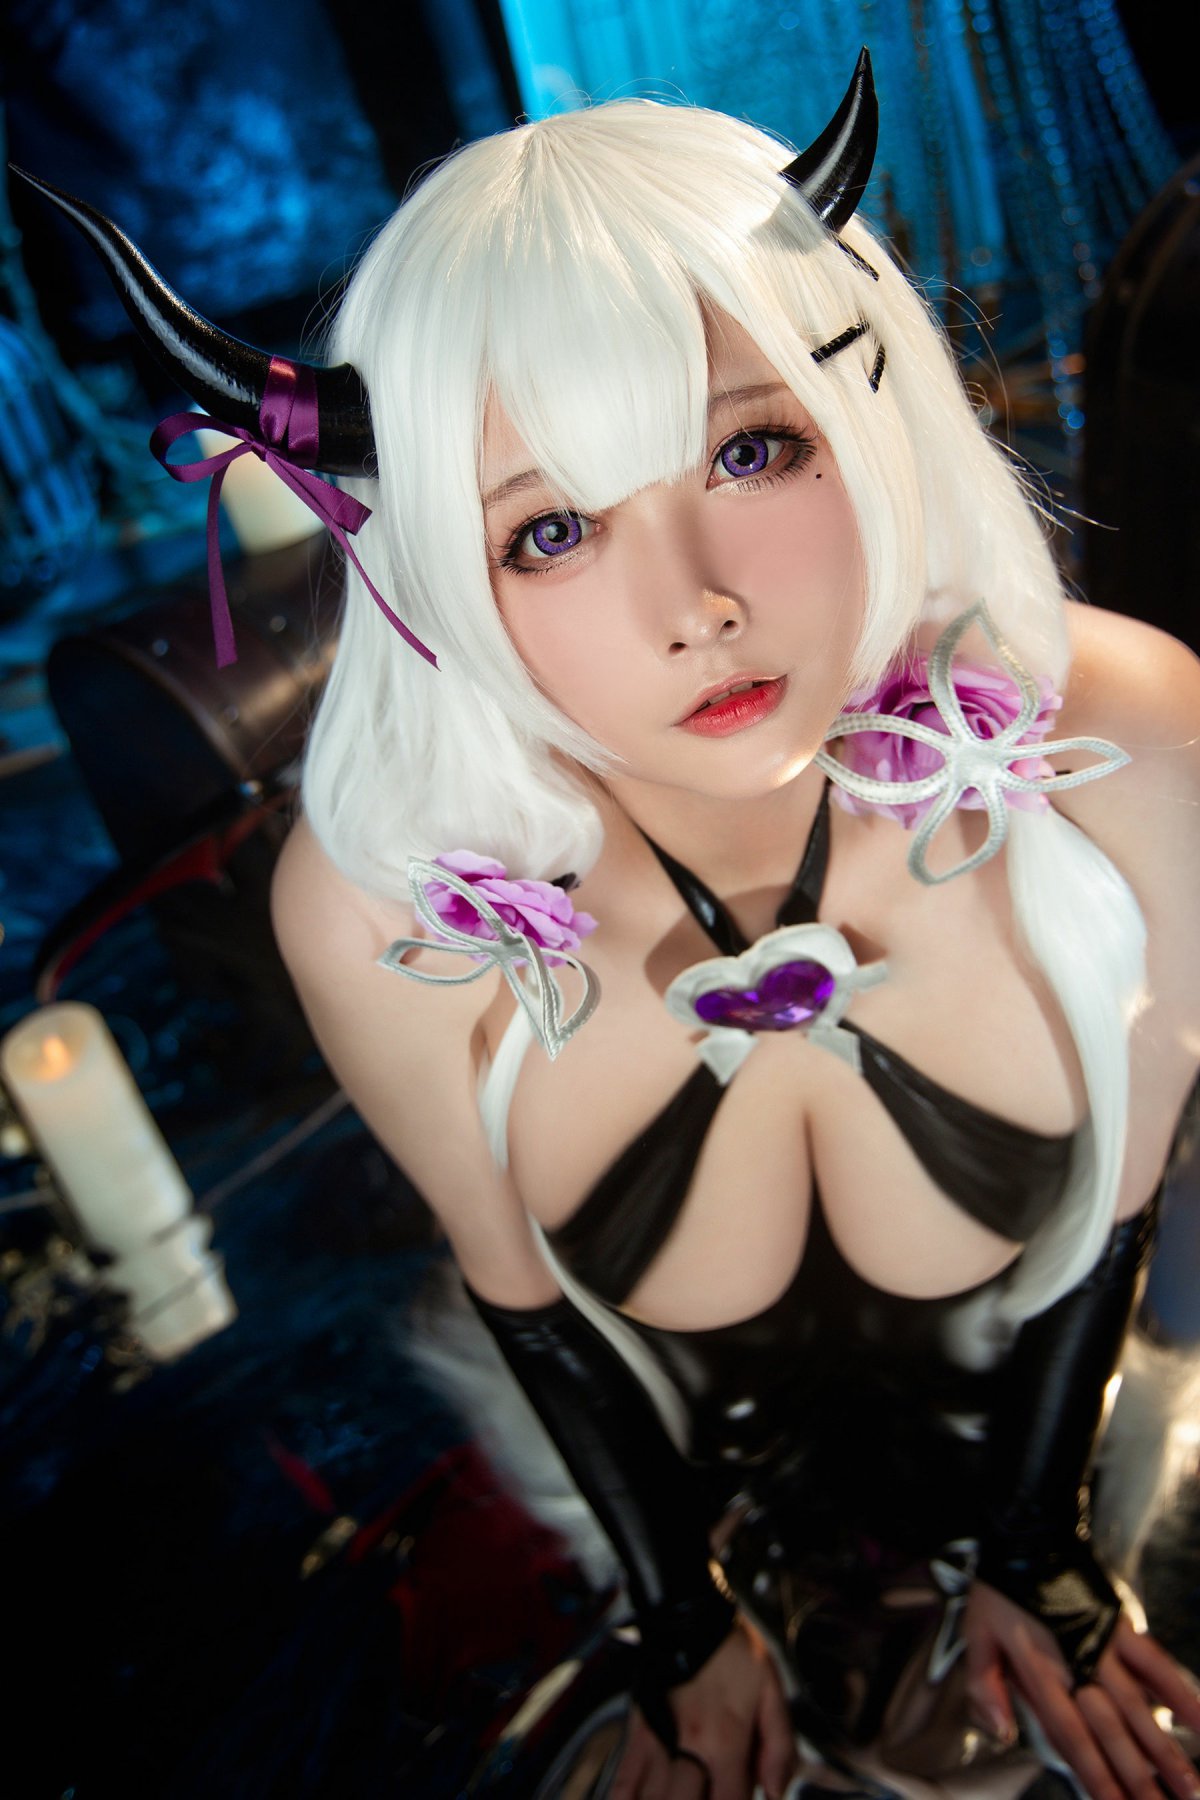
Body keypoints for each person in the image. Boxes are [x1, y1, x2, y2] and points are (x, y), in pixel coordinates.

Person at [25, 54, 1200, 1800]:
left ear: (865, 403)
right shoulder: (374, 917)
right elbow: (521, 1294)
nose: (693, 604)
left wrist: (1039, 1543)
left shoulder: (1132, 741)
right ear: (438, 563)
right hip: (653, 1522)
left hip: (1078, 1450)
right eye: (553, 530)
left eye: (751, 448)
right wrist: (677, 1620)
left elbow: (1124, 1203)